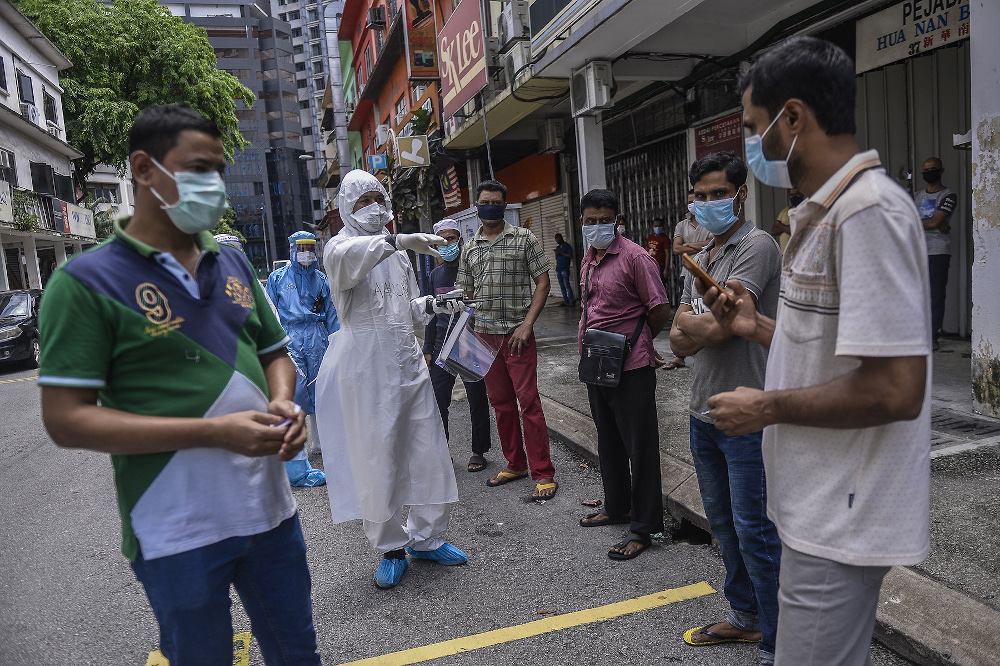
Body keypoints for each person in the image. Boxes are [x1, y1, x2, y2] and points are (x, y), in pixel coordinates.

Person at [37, 104, 321, 664]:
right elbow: (66, 419)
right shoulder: (83, 282)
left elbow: (275, 354)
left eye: (219, 169)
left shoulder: (233, 262)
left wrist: (284, 401)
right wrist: (214, 432)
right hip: (176, 530)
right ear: (144, 169)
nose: (214, 183)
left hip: (270, 514)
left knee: (297, 654)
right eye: (198, 169)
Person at [703, 36, 930, 665]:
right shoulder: (825, 212)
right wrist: (756, 326)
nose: (756, 146)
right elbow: (835, 351)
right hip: (816, 505)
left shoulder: (867, 214)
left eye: (757, 129)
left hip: (839, 516)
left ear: (794, 118)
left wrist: (765, 407)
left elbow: (895, 390)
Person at [314, 169, 468, 590]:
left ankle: (427, 538)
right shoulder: (340, 247)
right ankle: (392, 547)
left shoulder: (399, 254)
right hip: (367, 367)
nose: (373, 207)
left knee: (427, 448)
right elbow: (353, 262)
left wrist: (435, 305)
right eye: (362, 201)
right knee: (377, 456)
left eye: (378, 198)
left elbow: (404, 308)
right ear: (346, 208)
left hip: (407, 360)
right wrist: (398, 240)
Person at [668, 151, 783, 666]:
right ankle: (745, 616)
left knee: (755, 529)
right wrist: (697, 328)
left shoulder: (755, 247)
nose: (708, 203)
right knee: (724, 523)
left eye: (719, 193)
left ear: (740, 194)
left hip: (747, 414)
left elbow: (724, 327)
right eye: (700, 195)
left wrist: (695, 327)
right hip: (704, 411)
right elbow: (678, 339)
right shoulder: (704, 254)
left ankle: (780, 643)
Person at [576, 189, 671, 560]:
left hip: (631, 364)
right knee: (608, 440)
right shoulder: (589, 258)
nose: (598, 226)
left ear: (617, 220)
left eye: (605, 220)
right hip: (596, 361)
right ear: (582, 222)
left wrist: (639, 341)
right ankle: (617, 507)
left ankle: (644, 528)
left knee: (640, 446)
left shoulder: (636, 257)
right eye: (591, 220)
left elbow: (659, 309)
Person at [456, 179, 557, 500]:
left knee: (529, 403)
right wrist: (463, 332)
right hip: (484, 337)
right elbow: (466, 293)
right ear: (476, 206)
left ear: (504, 205)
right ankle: (516, 464)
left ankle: (543, 472)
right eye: (485, 203)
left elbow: (543, 282)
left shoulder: (524, 238)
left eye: (496, 203)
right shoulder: (470, 247)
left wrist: (527, 325)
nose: (491, 208)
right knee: (501, 404)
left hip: (517, 335)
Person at [266, 231, 339, 487]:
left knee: (322, 390)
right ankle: (298, 450)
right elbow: (270, 313)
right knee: (294, 394)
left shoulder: (322, 279)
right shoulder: (277, 278)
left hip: (317, 338)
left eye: (310, 247)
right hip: (290, 338)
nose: (306, 253)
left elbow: (332, 314)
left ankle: (321, 443)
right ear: (292, 250)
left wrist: (337, 343)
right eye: (301, 248)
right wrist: (275, 346)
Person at [423, 218, 493, 473]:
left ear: (460, 240)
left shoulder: (473, 270)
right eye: (441, 241)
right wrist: (428, 349)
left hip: (470, 345)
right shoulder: (435, 275)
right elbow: (430, 314)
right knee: (438, 401)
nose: (447, 244)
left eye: (451, 239)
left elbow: (482, 307)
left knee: (477, 399)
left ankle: (478, 451)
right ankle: (442, 453)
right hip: (442, 346)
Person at [665, 191, 712, 370]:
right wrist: (702, 246)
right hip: (686, 273)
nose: (692, 205)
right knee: (684, 309)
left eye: (696, 201)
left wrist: (687, 247)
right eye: (690, 201)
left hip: (707, 272)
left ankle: (703, 348)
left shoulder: (710, 222)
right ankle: (680, 356)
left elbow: (713, 243)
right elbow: (676, 249)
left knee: (704, 310)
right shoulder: (682, 225)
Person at [915, 157, 957, 351]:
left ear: (941, 171)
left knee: (935, 296)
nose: (928, 172)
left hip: (937, 252)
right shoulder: (916, 196)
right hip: (916, 251)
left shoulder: (948, 195)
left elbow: (933, 222)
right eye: (925, 170)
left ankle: (932, 337)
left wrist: (928, 221)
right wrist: (932, 221)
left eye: (932, 169)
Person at [769, 188, 803, 254]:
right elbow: (773, 231)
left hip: (798, 253)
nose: (794, 197)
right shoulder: (785, 211)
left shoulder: (805, 210)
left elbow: (795, 231)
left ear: (802, 194)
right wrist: (787, 228)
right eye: (792, 194)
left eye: (797, 194)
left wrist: (779, 224)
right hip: (784, 253)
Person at [645, 218, 670, 286]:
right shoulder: (650, 237)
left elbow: (667, 254)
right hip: (650, 265)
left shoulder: (664, 239)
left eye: (659, 226)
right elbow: (646, 250)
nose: (657, 228)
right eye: (656, 226)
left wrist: (666, 269)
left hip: (660, 266)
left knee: (660, 286)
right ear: (652, 227)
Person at [553, 233, 576, 306]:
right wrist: (556, 253)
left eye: (558, 238)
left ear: (561, 238)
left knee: (567, 285)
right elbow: (556, 258)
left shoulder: (567, 246)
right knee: (562, 286)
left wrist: (561, 253)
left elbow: (570, 256)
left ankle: (571, 300)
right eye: (556, 239)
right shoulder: (558, 247)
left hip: (565, 268)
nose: (557, 240)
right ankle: (566, 300)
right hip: (558, 268)